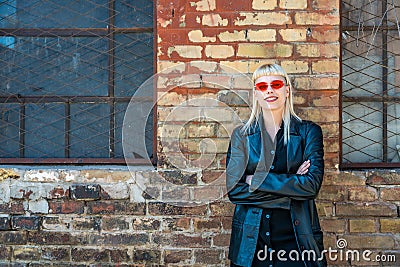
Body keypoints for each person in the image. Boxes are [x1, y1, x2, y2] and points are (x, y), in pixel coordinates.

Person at [225, 64, 327, 267]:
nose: (269, 90)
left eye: (276, 84)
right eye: (262, 86)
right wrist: (290, 191)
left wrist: (255, 180)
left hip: (298, 240)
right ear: (256, 94)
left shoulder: (308, 132)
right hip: (251, 241)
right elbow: (235, 191)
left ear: (286, 90)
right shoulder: (242, 135)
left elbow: (311, 186)